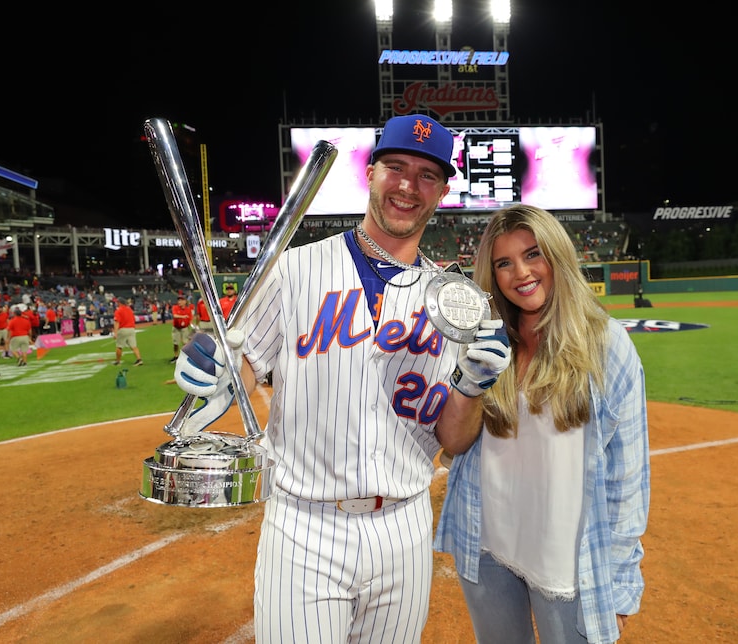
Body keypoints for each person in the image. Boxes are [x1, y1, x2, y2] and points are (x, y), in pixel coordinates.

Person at [173, 114, 511, 643]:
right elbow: (243, 364)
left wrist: (471, 388)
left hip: (403, 527)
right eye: (395, 167)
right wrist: (215, 371)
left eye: (426, 175)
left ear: (443, 191)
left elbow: (455, 439)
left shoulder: (452, 301)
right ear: (370, 173)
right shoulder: (293, 269)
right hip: (305, 526)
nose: (407, 185)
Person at [434, 205, 651, 644]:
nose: (521, 273)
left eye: (533, 254)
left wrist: (622, 583)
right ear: (491, 275)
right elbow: (454, 444)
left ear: (557, 255)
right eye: (503, 263)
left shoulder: (607, 344)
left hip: (566, 564)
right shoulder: (485, 342)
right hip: (488, 547)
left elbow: (627, 478)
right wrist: (472, 382)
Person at [112, 298, 143, 366]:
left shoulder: (118, 310)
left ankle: (118, 361)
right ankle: (139, 359)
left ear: (119, 303)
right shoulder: (129, 310)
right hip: (131, 329)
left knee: (119, 346)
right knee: (134, 346)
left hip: (123, 329)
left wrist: (115, 333)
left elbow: (117, 322)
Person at [169, 294, 194, 363]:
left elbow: (190, 319)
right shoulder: (175, 307)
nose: (179, 301)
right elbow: (175, 316)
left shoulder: (188, 310)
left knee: (185, 343)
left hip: (184, 328)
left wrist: (190, 326)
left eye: (181, 300)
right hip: (176, 328)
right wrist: (183, 317)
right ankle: (176, 356)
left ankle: (187, 356)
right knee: (175, 343)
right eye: (178, 300)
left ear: (185, 301)